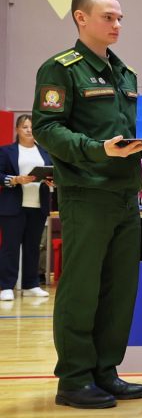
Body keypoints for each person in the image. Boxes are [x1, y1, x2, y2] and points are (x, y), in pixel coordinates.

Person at [33, 0, 142, 409]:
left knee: (119, 290)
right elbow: (47, 128)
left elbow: (129, 137)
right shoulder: (61, 69)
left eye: (120, 18)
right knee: (81, 289)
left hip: (124, 194)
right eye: (108, 17)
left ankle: (105, 371)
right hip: (86, 193)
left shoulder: (125, 73)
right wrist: (96, 150)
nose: (117, 24)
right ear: (81, 18)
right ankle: (74, 379)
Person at [0, 115, 54, 300]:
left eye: (32, 127)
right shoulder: (6, 151)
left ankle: (31, 285)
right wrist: (15, 179)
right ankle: (6, 286)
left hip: (38, 206)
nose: (29, 130)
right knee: (10, 247)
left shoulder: (45, 152)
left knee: (33, 247)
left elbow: (52, 172)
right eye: (25, 127)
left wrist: (51, 180)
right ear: (17, 129)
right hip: (12, 207)